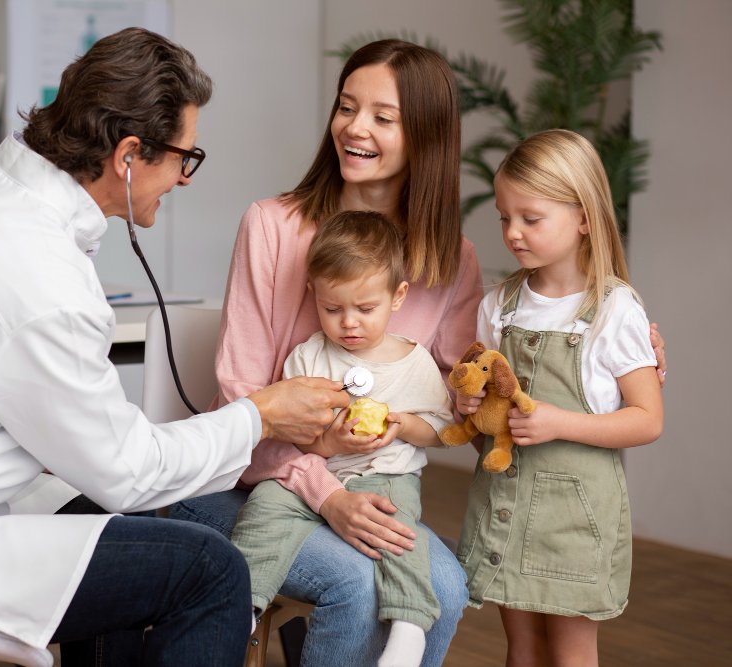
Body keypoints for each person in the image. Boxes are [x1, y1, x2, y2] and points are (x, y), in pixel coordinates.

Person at [0, 28, 350, 667]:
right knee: (208, 570)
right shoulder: (39, 272)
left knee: (113, 523)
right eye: (184, 158)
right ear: (130, 155)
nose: (185, 179)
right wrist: (262, 414)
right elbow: (131, 472)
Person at [171, 39, 480, 666]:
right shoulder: (272, 227)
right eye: (346, 107)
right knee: (357, 582)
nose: (354, 128)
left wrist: (616, 339)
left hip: (373, 487)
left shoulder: (453, 260)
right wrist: (329, 496)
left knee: (446, 589)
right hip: (246, 482)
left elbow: (461, 399)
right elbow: (242, 400)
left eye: (383, 118)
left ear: (425, 137)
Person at [455, 129, 664, 666]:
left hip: (575, 519)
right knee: (521, 648)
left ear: (584, 218)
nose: (513, 233)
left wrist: (557, 422)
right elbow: (487, 409)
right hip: (504, 505)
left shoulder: (615, 310)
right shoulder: (498, 305)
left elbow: (646, 420)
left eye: (531, 217)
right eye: (505, 217)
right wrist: (469, 410)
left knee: (570, 653)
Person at [231, 210, 456, 667]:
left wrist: (403, 425)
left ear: (398, 297)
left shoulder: (413, 362)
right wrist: (328, 444)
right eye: (333, 310)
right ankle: (242, 606)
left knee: (398, 536)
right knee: (267, 506)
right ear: (313, 292)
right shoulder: (309, 356)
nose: (349, 323)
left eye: (365, 309)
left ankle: (410, 628)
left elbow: (441, 429)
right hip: (313, 477)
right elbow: (290, 437)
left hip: (385, 477)